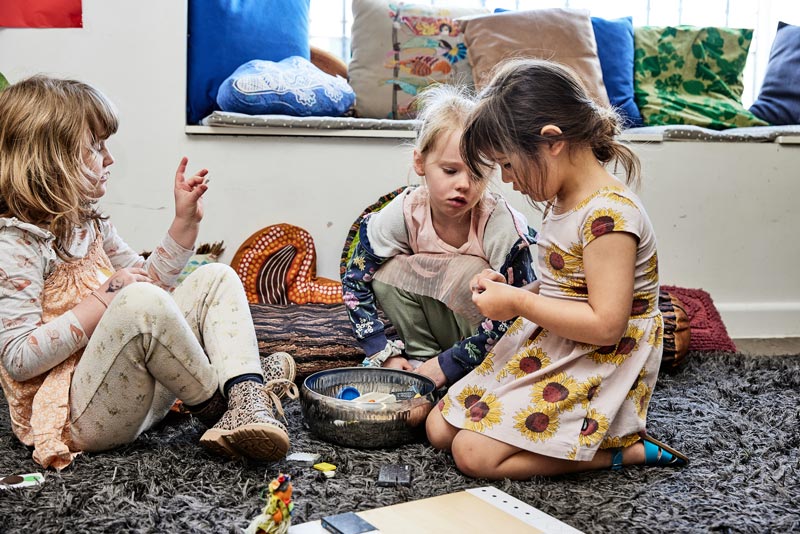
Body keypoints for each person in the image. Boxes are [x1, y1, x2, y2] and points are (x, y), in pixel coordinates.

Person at [0, 75, 297, 470]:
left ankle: (245, 396)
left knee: (216, 278)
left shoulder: (88, 223)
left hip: (133, 394)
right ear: (50, 160)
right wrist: (104, 299)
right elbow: (18, 359)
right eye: (96, 148)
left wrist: (183, 224)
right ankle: (225, 404)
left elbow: (151, 288)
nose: (110, 159)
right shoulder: (15, 244)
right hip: (74, 416)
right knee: (136, 301)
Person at [425, 59, 689, 479]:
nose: (508, 181)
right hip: (553, 345)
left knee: (472, 454)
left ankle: (627, 451)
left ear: (552, 141)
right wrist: (517, 291)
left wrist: (517, 303)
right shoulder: (562, 199)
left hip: (597, 359)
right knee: (439, 427)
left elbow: (606, 325)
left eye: (508, 164)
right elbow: (563, 285)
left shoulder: (609, 218)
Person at [341, 83, 536, 386]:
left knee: (475, 273)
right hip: (439, 329)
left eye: (477, 174)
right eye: (450, 170)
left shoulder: (499, 224)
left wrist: (452, 363)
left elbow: (521, 313)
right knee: (384, 273)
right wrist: (382, 349)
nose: (463, 185)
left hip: (491, 339)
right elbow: (355, 279)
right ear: (420, 163)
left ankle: (463, 372)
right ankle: (422, 362)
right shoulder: (405, 211)